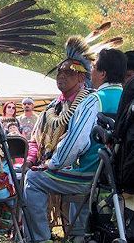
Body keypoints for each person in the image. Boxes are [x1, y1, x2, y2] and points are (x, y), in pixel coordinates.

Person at [25, 48, 126, 243]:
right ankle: (79, 235)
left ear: (103, 73)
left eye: (94, 67)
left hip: (92, 176)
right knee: (72, 169)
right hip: (121, 175)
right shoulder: (130, 98)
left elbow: (76, 143)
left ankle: (41, 241)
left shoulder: (93, 100)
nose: (92, 72)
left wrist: (52, 164)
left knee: (33, 179)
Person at [29, 37, 96, 166]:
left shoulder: (88, 104)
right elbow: (34, 140)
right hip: (42, 167)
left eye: (69, 72)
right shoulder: (51, 107)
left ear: (81, 77)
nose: (61, 75)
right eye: (59, 71)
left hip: (69, 170)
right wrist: (30, 160)